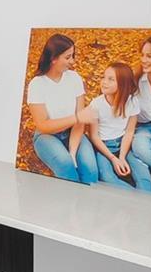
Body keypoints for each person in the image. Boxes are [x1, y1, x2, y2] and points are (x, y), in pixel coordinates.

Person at [26, 33, 97, 183]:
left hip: (74, 132)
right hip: (47, 136)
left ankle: (88, 205)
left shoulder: (74, 78)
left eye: (73, 55)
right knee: (66, 167)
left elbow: (80, 121)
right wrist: (77, 117)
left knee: (90, 170)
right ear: (53, 59)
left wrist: (72, 152)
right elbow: (43, 125)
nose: (72, 61)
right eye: (68, 57)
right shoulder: (37, 84)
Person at [78, 62, 151, 192]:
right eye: (104, 77)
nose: (104, 82)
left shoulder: (132, 102)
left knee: (143, 176)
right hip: (103, 148)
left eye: (111, 79)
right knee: (107, 178)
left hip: (124, 144)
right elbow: (94, 136)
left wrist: (122, 157)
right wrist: (113, 159)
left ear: (123, 84)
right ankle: (135, 199)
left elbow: (129, 132)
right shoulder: (96, 105)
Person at [131, 35, 151, 175]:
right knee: (141, 149)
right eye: (143, 55)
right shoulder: (136, 79)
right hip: (143, 127)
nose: (144, 60)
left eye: (150, 56)